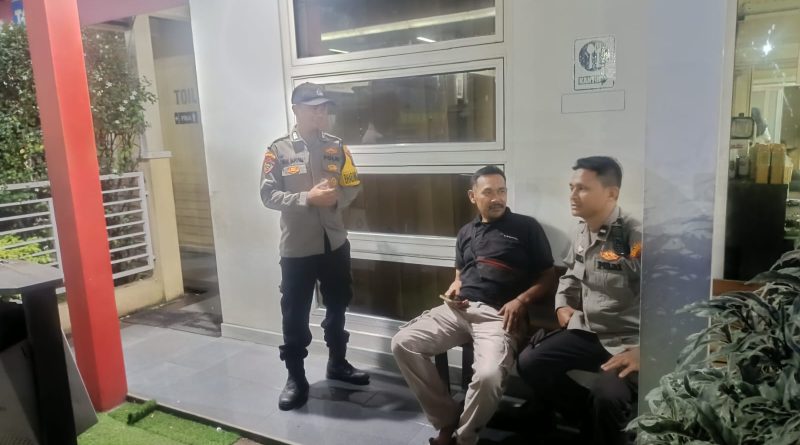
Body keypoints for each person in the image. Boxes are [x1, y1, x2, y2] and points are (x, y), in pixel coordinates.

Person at [391, 165, 556, 445]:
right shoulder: (466, 232)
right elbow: (459, 275)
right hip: (458, 310)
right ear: (473, 196)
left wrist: (521, 300)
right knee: (402, 343)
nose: (497, 198)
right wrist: (454, 288)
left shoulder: (526, 227)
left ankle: (463, 438)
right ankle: (447, 419)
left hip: (498, 315)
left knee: (489, 376)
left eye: (501, 191)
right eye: (488, 192)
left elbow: (548, 276)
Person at [516, 156, 641, 445]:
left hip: (628, 340)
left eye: (582, 188)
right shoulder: (582, 230)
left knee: (607, 395)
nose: (572, 195)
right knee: (530, 362)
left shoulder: (634, 237)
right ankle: (588, 421)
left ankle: (602, 429)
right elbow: (571, 275)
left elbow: (664, 302)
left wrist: (644, 352)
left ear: (611, 193)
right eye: (571, 187)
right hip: (589, 330)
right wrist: (562, 304)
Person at [260, 82, 369, 411]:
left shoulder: (337, 147)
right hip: (297, 249)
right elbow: (268, 195)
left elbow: (353, 184)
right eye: (313, 108)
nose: (320, 113)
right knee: (294, 316)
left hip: (334, 242)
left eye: (323, 108)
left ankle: (338, 362)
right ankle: (296, 377)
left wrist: (335, 200)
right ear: (296, 110)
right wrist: (307, 198)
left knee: (337, 307)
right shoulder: (278, 151)